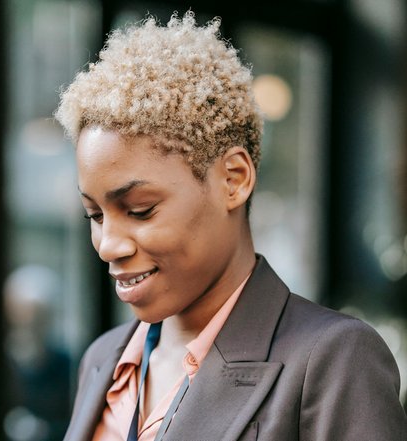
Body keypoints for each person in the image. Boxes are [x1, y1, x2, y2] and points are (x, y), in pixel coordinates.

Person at [54, 11, 407, 441]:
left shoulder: (332, 360)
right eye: (94, 214)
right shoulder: (103, 359)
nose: (108, 245)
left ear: (233, 180)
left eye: (140, 209)